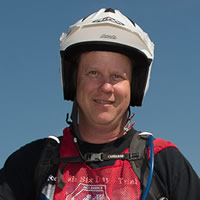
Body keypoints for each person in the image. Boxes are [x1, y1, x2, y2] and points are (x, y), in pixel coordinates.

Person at [0, 8, 199, 200]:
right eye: (93, 73)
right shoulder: (32, 163)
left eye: (117, 76)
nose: (105, 87)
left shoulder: (163, 162)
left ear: (135, 86)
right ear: (73, 81)